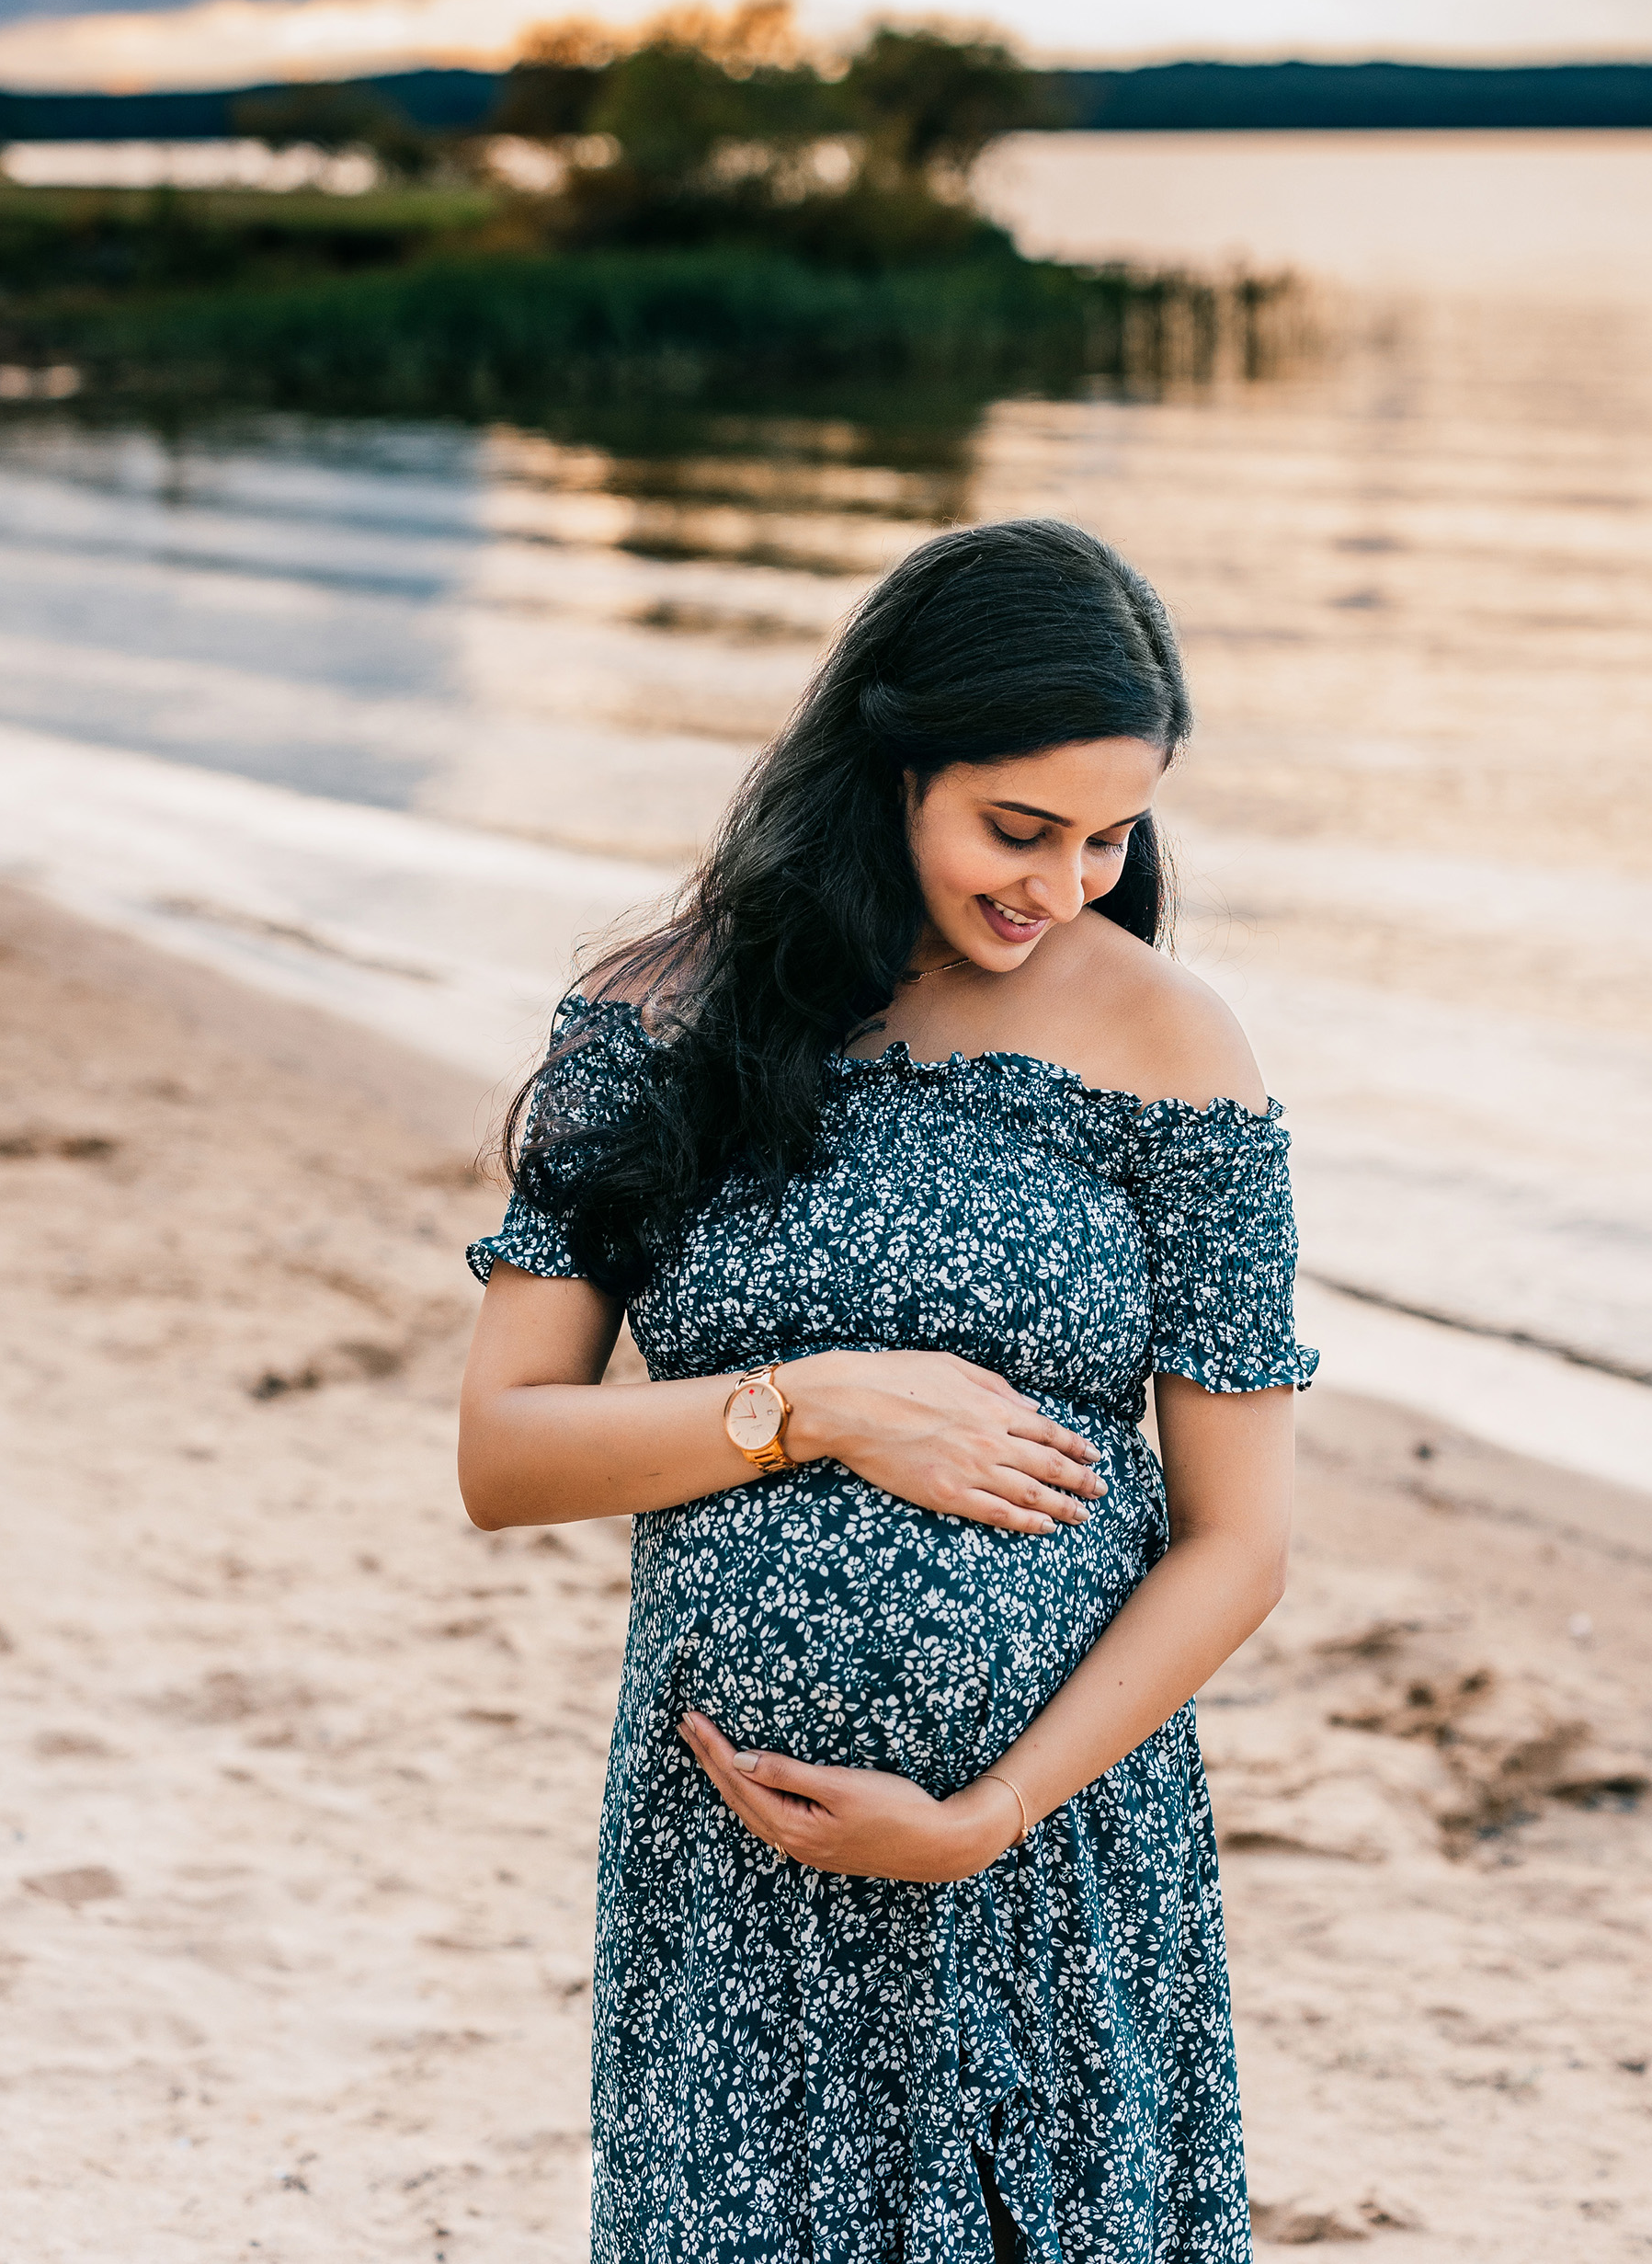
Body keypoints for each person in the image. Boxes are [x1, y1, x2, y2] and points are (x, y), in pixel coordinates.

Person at [458, 517, 1311, 2263]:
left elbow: (1239, 1543)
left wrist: (988, 1814)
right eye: (1020, 828)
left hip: (1049, 1852)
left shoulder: (1171, 1041)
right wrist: (817, 1402)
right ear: (888, 760)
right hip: (737, 1858)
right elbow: (503, 1455)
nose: (1063, 883)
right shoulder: (655, 1022)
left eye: (1110, 834)